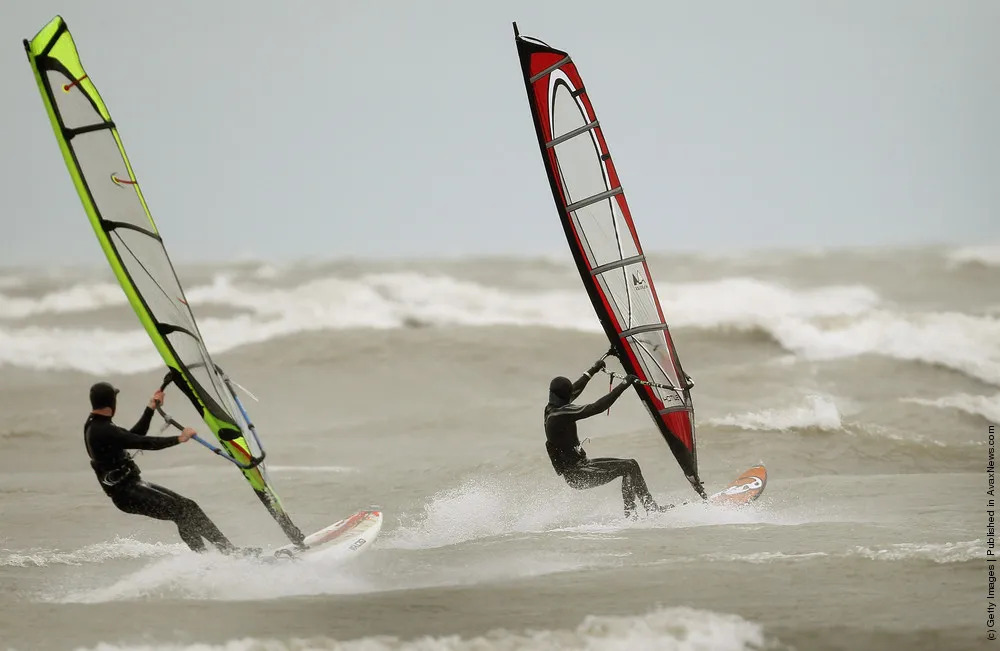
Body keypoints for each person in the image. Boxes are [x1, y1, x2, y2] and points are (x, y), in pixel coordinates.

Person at [84, 381, 257, 556]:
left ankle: (223, 552)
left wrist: (150, 408)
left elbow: (133, 437)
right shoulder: (102, 430)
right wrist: (178, 439)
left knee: (189, 507)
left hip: (133, 486)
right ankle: (216, 556)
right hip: (127, 494)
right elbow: (143, 442)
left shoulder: (98, 424)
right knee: (181, 512)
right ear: (112, 402)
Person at [544, 353, 673, 519]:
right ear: (563, 397)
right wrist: (624, 384)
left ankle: (647, 508)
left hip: (581, 467)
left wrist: (594, 370)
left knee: (631, 465)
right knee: (629, 466)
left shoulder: (551, 407)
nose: (571, 397)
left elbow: (573, 390)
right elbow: (596, 407)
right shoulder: (559, 416)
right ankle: (633, 514)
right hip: (578, 473)